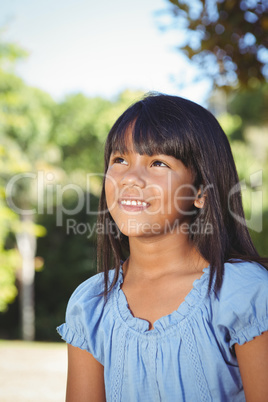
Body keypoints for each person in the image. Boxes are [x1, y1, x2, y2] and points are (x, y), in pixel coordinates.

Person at [57, 93, 268, 402]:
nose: (131, 178)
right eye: (120, 160)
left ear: (201, 192)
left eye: (157, 162)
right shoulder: (90, 305)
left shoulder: (246, 293)